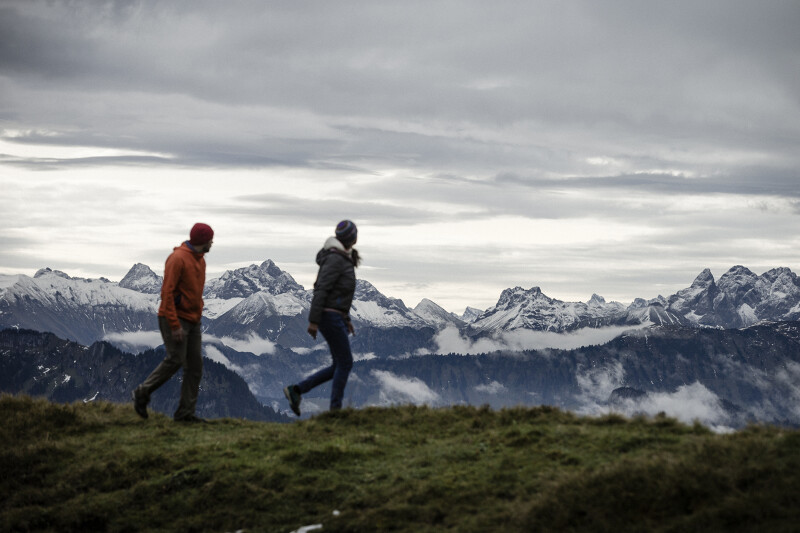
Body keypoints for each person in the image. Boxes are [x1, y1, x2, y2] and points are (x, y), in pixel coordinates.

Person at [132, 223, 214, 423]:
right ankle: (142, 392)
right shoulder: (178, 259)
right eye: (210, 239)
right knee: (176, 359)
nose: (212, 242)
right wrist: (175, 324)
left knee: (195, 366)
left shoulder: (200, 261)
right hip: (174, 318)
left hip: (193, 320)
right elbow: (166, 293)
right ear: (203, 240)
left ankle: (185, 413)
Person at [284, 220, 360, 416]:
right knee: (345, 363)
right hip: (329, 317)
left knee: (339, 364)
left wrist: (347, 319)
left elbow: (338, 295)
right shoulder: (336, 259)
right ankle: (335, 411)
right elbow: (322, 288)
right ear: (352, 238)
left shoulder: (341, 258)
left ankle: (297, 390)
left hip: (335, 316)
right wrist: (314, 320)